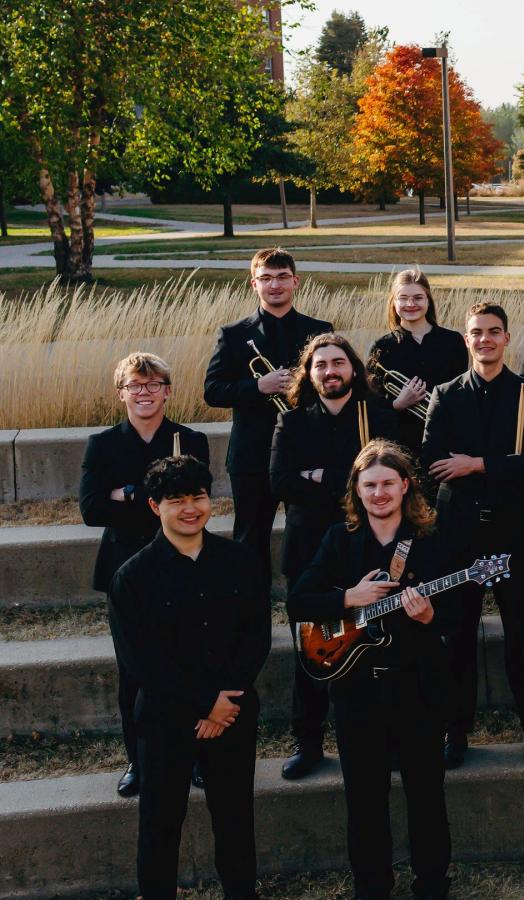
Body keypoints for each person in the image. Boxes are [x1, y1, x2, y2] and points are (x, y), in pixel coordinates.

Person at [289, 441, 455, 900]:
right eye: (369, 486)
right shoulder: (338, 539)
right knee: (364, 799)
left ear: (405, 486)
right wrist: (347, 598)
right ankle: (372, 887)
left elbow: (459, 613)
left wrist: (429, 617)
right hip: (356, 691)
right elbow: (299, 600)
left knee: (426, 793)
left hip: (418, 686)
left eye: (387, 483)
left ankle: (432, 884)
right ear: (357, 493)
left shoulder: (432, 540)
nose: (379, 493)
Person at [108, 456, 267, 899]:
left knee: (235, 817)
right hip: (165, 717)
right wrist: (204, 702)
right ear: (155, 506)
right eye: (176, 500)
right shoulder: (132, 577)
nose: (190, 508)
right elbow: (141, 662)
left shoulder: (241, 561)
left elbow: (255, 637)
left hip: (232, 712)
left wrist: (224, 704)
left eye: (198, 497)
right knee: (160, 822)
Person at [422, 301, 524, 764]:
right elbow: (435, 463)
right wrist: (503, 468)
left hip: (517, 536)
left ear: (507, 337)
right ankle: (454, 734)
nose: (485, 339)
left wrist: (476, 464)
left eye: (494, 331)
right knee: (455, 637)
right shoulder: (446, 395)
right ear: (466, 340)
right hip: (458, 536)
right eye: (477, 332)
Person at [80, 352, 210, 798]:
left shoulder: (190, 438)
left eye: (153, 385)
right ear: (122, 394)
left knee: (192, 661)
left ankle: (196, 756)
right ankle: (139, 760)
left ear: (167, 391)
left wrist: (128, 493)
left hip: (184, 565)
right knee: (133, 671)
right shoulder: (103, 444)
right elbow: (92, 509)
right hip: (125, 572)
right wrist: (153, 499)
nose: (144, 393)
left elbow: (193, 503)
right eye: (135, 386)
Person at [269, 333, 397, 781]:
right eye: (320, 365)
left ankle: (384, 738)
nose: (329, 371)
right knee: (312, 651)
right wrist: (349, 479)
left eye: (338, 362)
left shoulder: (378, 418)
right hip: (308, 555)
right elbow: (281, 482)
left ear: (354, 370)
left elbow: (393, 478)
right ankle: (308, 743)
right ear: (309, 374)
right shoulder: (293, 423)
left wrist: (319, 474)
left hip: (365, 549)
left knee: (376, 649)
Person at [202, 247, 333, 603]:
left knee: (308, 536)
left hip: (305, 453)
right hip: (252, 455)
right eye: (266, 278)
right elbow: (212, 391)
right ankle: (250, 614)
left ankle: (308, 611)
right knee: (249, 539)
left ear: (295, 281)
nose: (274, 285)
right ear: (253, 284)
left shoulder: (320, 332)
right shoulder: (232, 334)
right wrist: (257, 386)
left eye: (281, 277)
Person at [365, 268, 468, 451]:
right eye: (403, 298)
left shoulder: (453, 341)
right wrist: (398, 404)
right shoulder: (381, 347)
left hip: (446, 439)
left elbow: (461, 391)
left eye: (418, 297)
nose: (410, 303)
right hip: (399, 442)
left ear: (428, 300)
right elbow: (372, 402)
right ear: (394, 302)